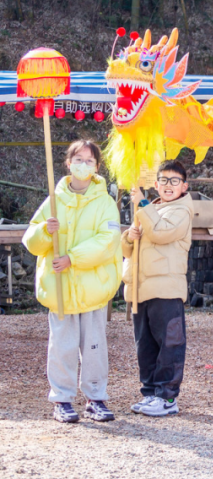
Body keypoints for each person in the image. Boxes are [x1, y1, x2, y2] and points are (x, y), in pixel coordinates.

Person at [23, 140, 122, 424]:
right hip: (60, 289)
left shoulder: (105, 202)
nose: (83, 165)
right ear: (68, 163)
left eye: (89, 161)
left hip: (93, 286)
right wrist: (45, 230)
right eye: (78, 159)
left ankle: (96, 398)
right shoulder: (53, 201)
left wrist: (72, 258)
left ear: (97, 167)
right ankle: (63, 400)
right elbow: (31, 241)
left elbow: (108, 240)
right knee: (62, 345)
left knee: (94, 346)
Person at [121, 160, 193, 417]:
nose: (168, 185)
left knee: (169, 343)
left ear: (184, 186)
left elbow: (162, 234)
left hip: (166, 287)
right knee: (146, 345)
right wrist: (130, 236)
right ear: (156, 184)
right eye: (163, 180)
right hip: (142, 288)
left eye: (175, 181)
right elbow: (128, 251)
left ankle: (167, 397)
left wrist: (141, 205)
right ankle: (150, 392)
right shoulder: (151, 208)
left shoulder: (181, 211)